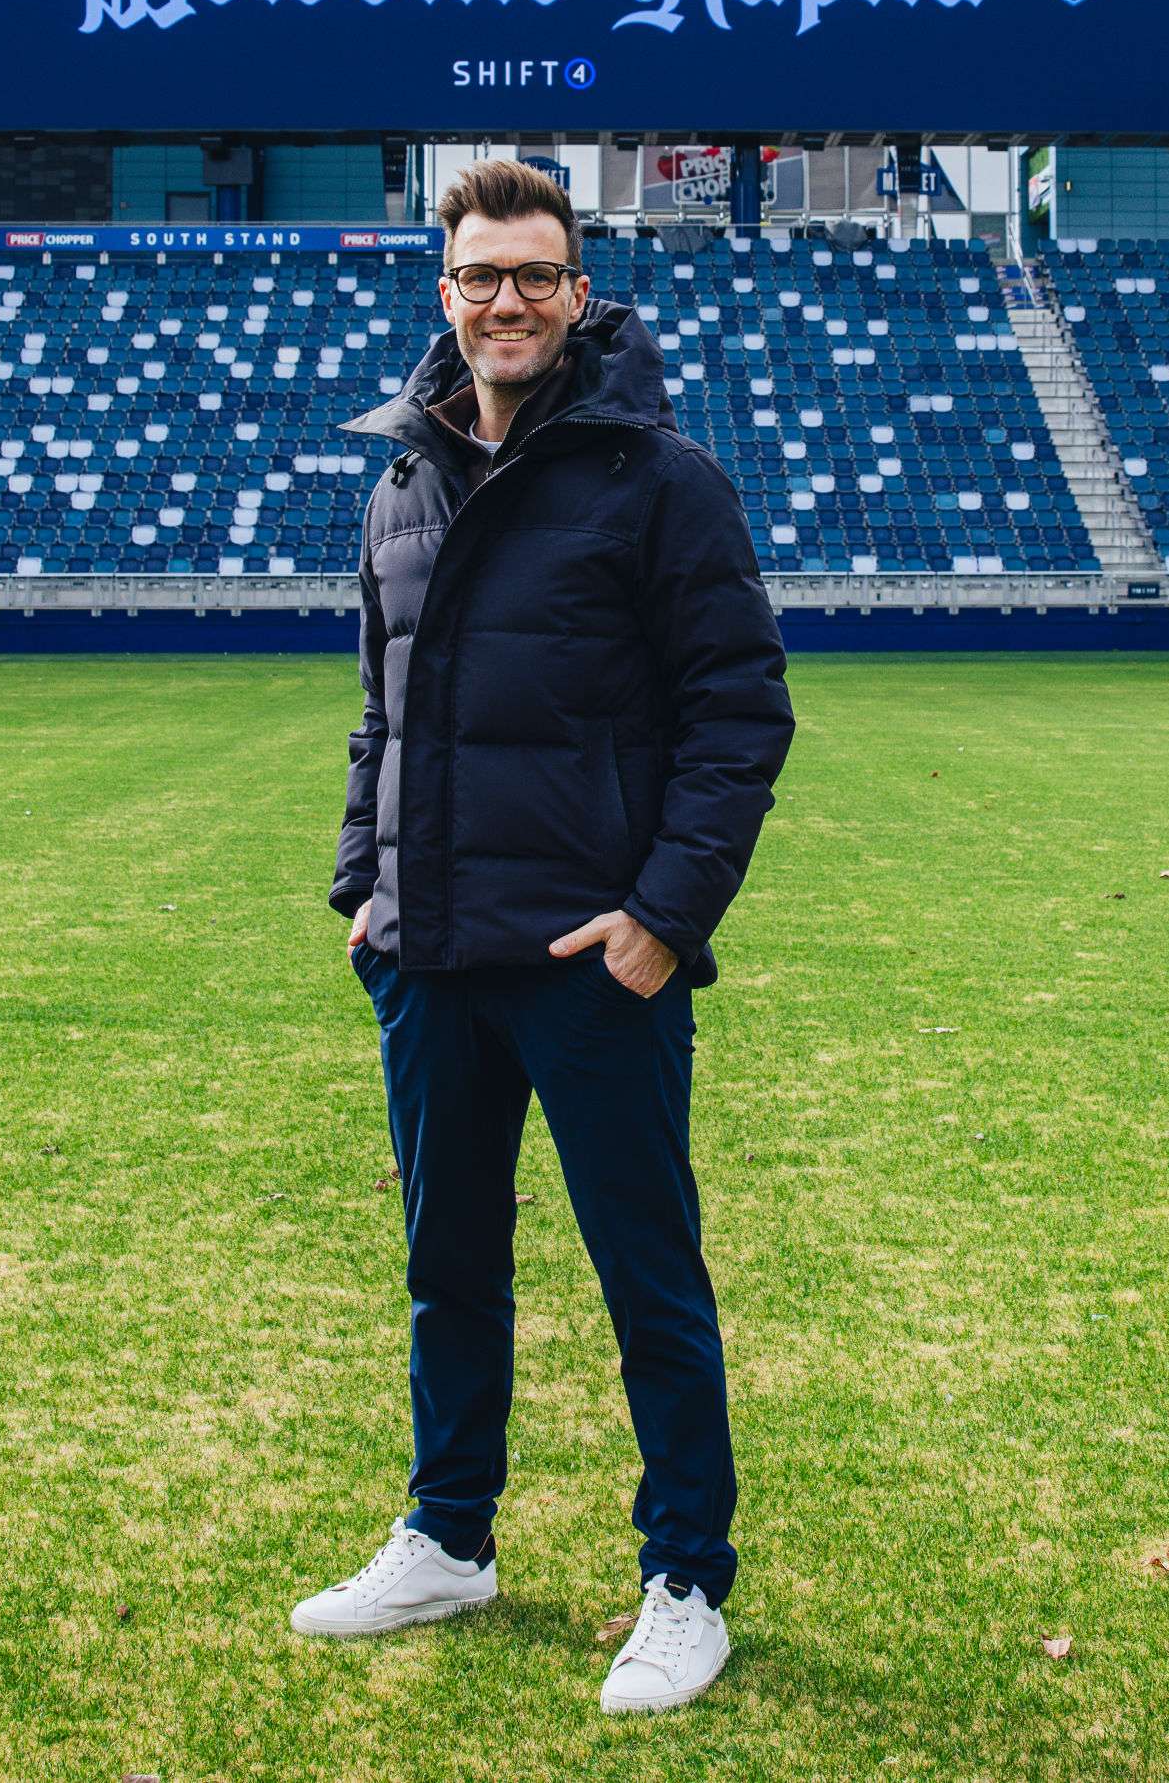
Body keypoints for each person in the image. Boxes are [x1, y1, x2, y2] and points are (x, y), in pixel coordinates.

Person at [291, 158, 796, 1716]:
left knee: (647, 1273)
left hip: (593, 965)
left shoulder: (661, 480)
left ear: (577, 293)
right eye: (476, 275)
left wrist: (659, 921)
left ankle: (686, 1577)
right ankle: (449, 1533)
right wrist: (361, 884)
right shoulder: (397, 480)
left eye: (532, 274)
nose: (502, 298)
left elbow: (739, 715)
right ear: (442, 292)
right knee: (448, 1263)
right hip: (430, 951)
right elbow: (381, 713)